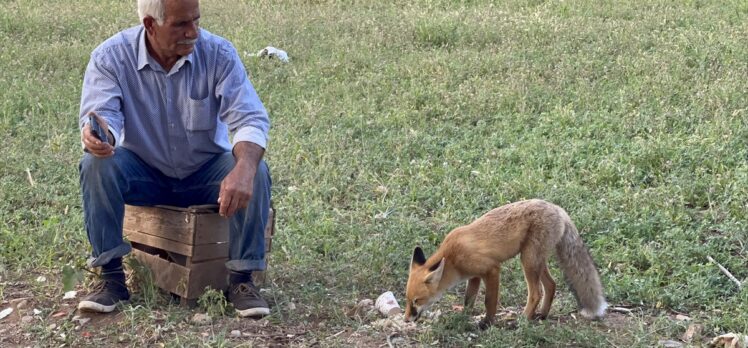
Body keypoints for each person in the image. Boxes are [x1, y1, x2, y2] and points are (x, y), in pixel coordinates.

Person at [77, 0, 272, 318]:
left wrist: (244, 167)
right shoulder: (111, 56)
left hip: (205, 172)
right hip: (144, 172)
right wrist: (100, 137)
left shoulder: (219, 53)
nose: (193, 31)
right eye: (181, 24)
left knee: (255, 169)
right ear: (150, 26)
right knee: (96, 164)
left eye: (196, 20)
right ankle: (111, 278)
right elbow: (103, 114)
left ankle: (242, 280)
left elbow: (249, 118)